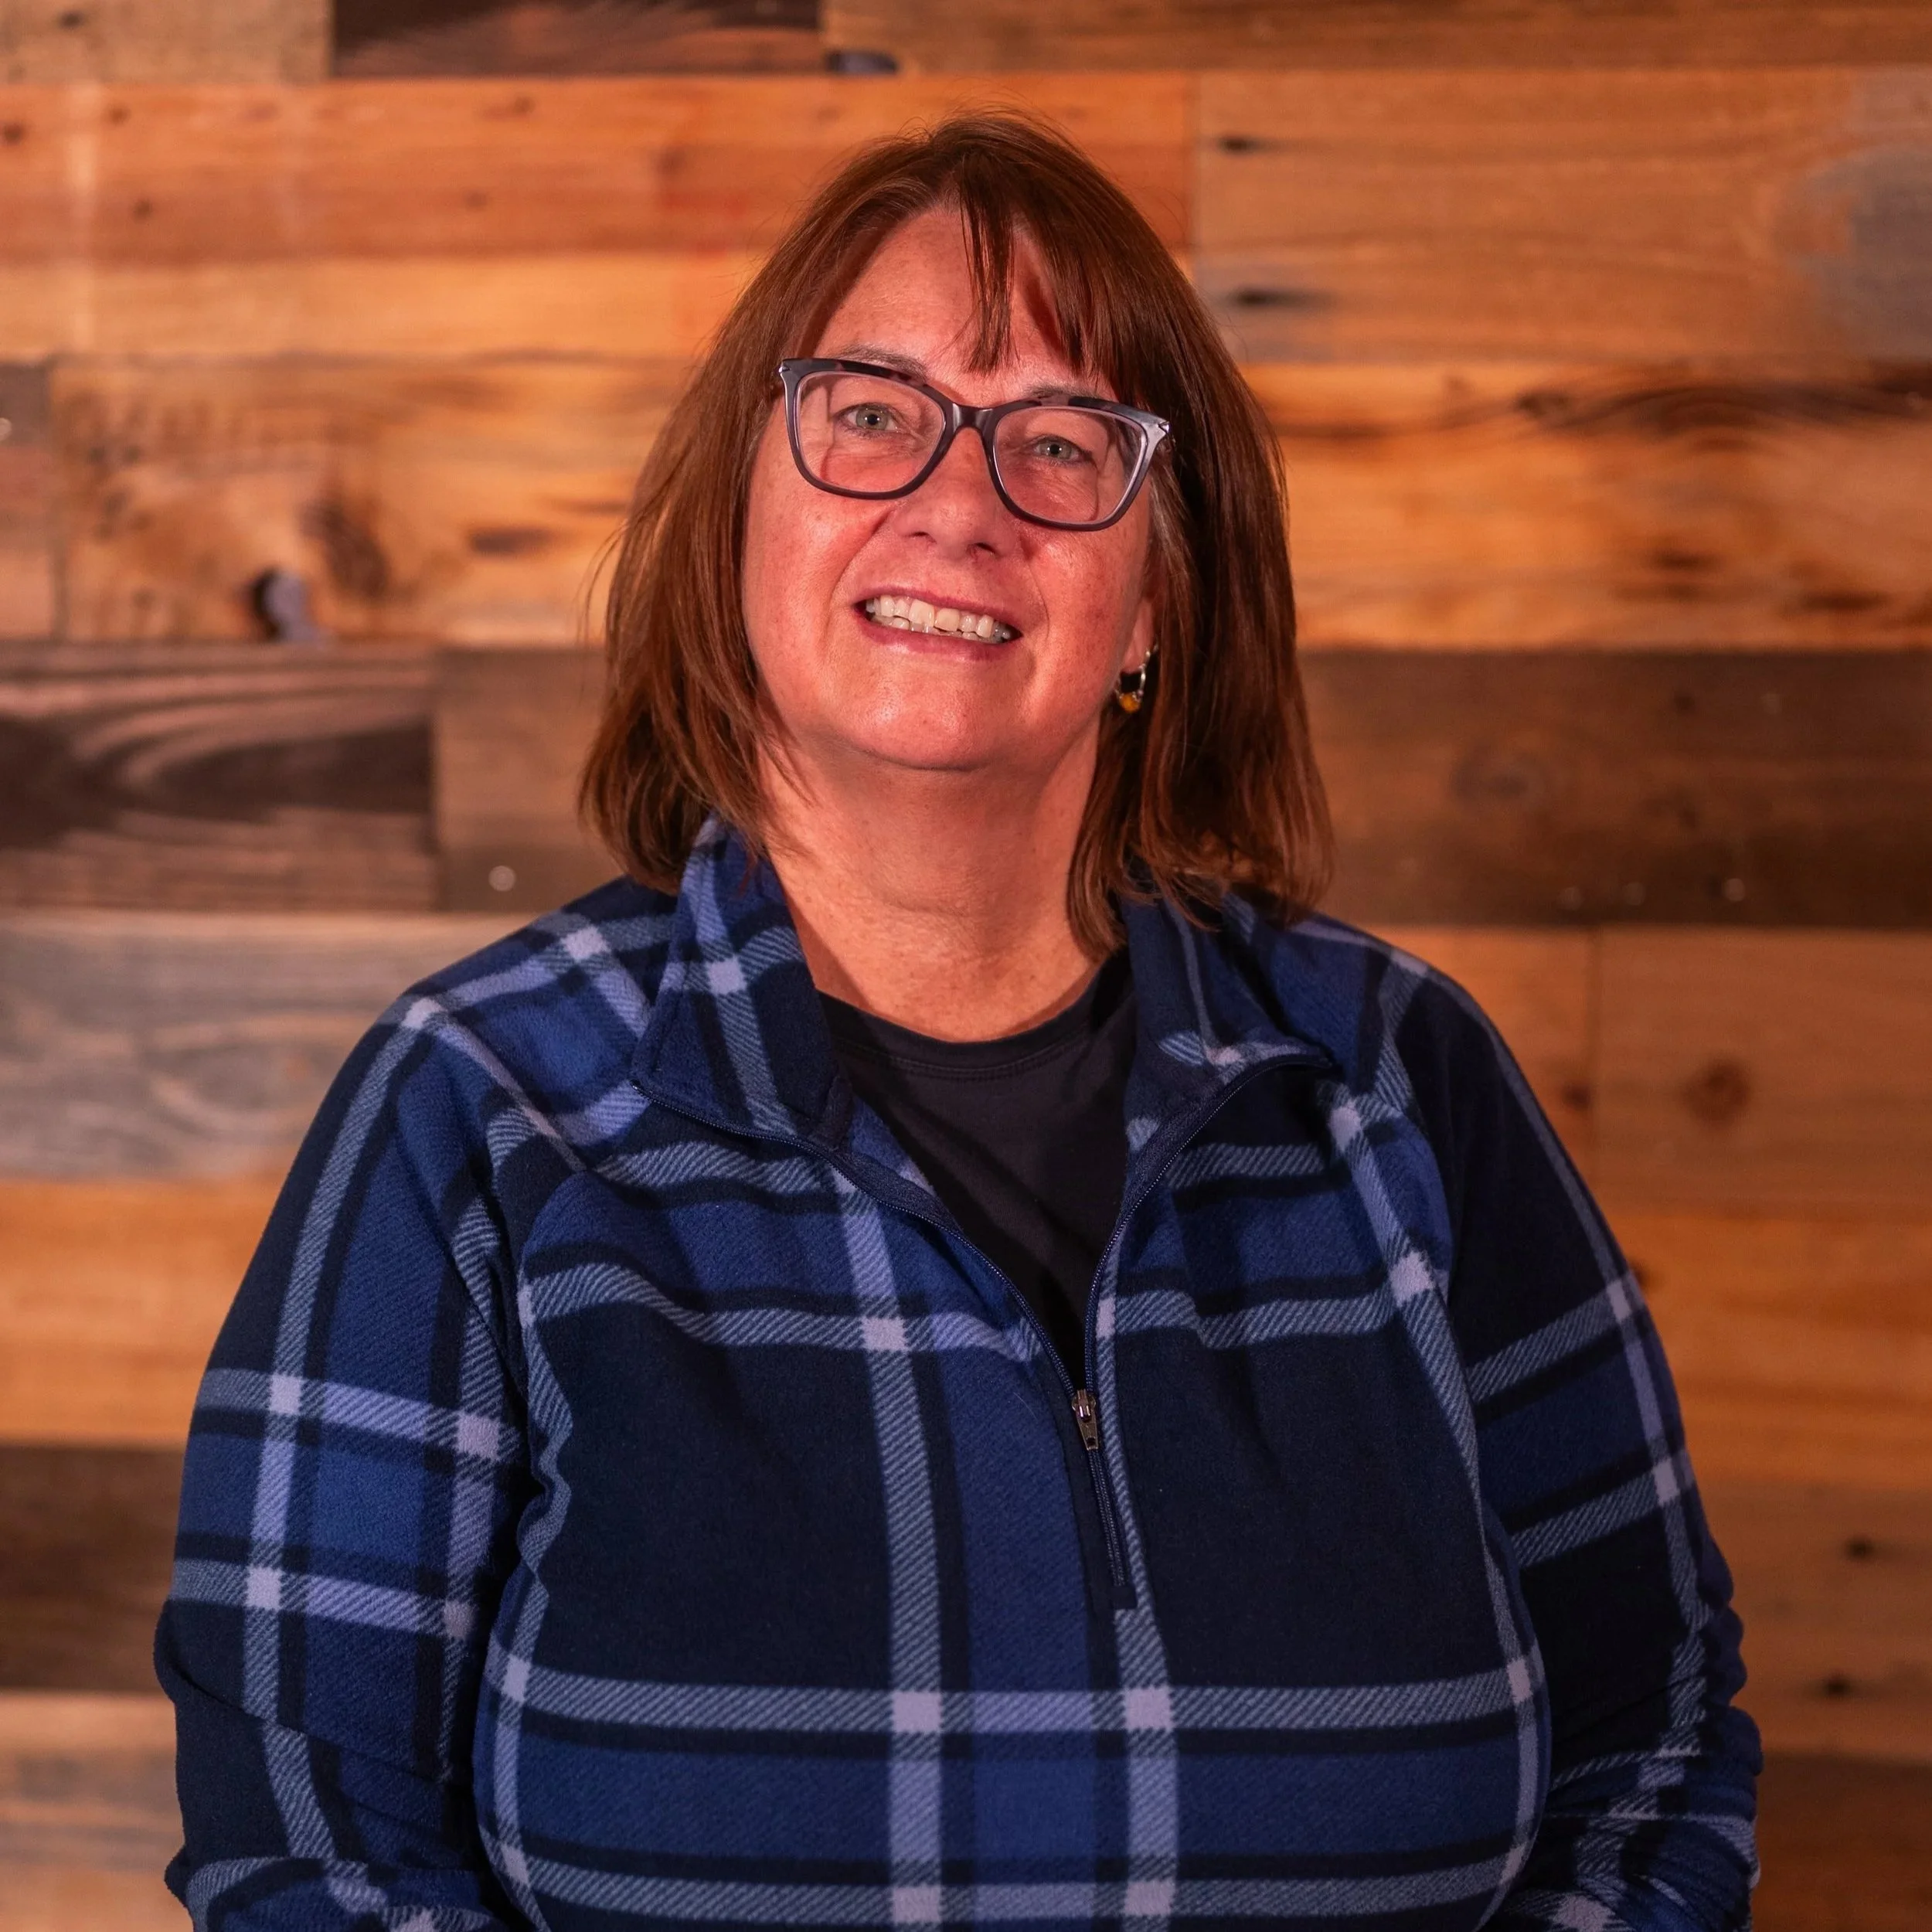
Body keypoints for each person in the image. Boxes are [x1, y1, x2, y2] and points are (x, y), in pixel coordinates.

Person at [158, 112, 1759, 1930]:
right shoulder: (480, 1110)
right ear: (737, 512)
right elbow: (309, 1843)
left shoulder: (1397, 1082)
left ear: (1152, 595)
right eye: (866, 410)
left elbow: (1656, 1740)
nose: (957, 500)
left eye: (1061, 441)